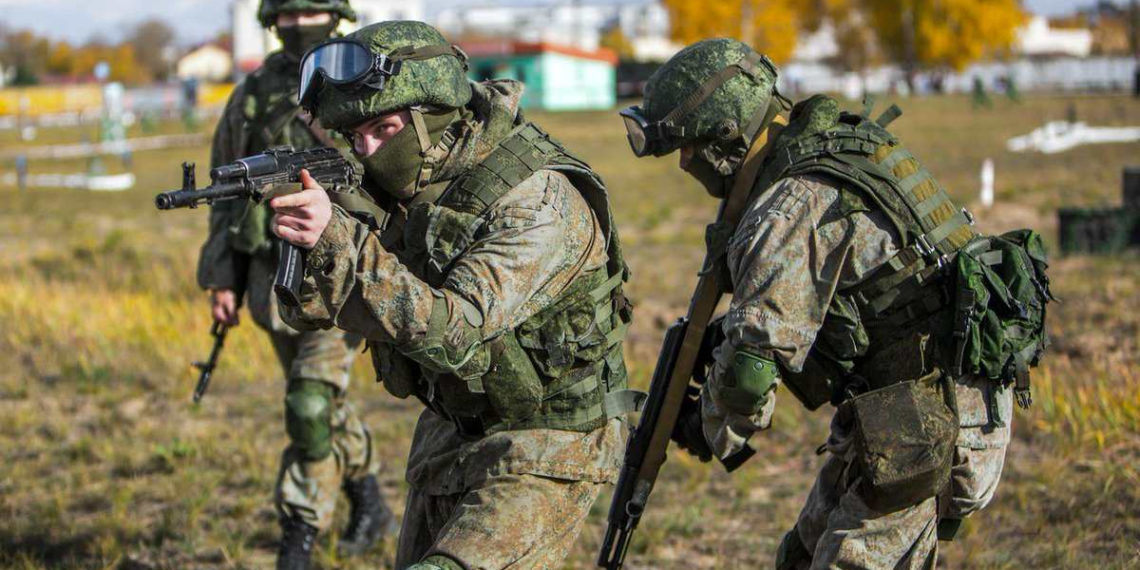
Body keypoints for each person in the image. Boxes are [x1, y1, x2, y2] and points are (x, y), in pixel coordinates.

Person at [620, 38, 1044, 568]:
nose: (683, 163)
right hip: (908, 409)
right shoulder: (832, 146)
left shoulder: (787, 207)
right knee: (800, 557)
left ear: (724, 136)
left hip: (931, 424)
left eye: (687, 146)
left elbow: (751, 371)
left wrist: (708, 424)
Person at [268, 21, 643, 570]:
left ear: (434, 116)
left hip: (547, 441)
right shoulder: (410, 184)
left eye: (383, 128)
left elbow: (453, 333)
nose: (367, 151)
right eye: (355, 136)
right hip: (451, 429)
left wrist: (342, 240)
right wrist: (314, 250)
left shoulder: (536, 201)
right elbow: (311, 312)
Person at [195, 1, 395, 568]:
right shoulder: (252, 96)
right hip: (271, 284)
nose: (299, 22)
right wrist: (223, 279)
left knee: (309, 404)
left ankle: (299, 537)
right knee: (321, 405)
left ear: (333, 15)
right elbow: (225, 200)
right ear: (270, 21)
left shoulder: (359, 80)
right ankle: (371, 501)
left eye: (311, 10)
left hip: (345, 274)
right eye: (289, 13)